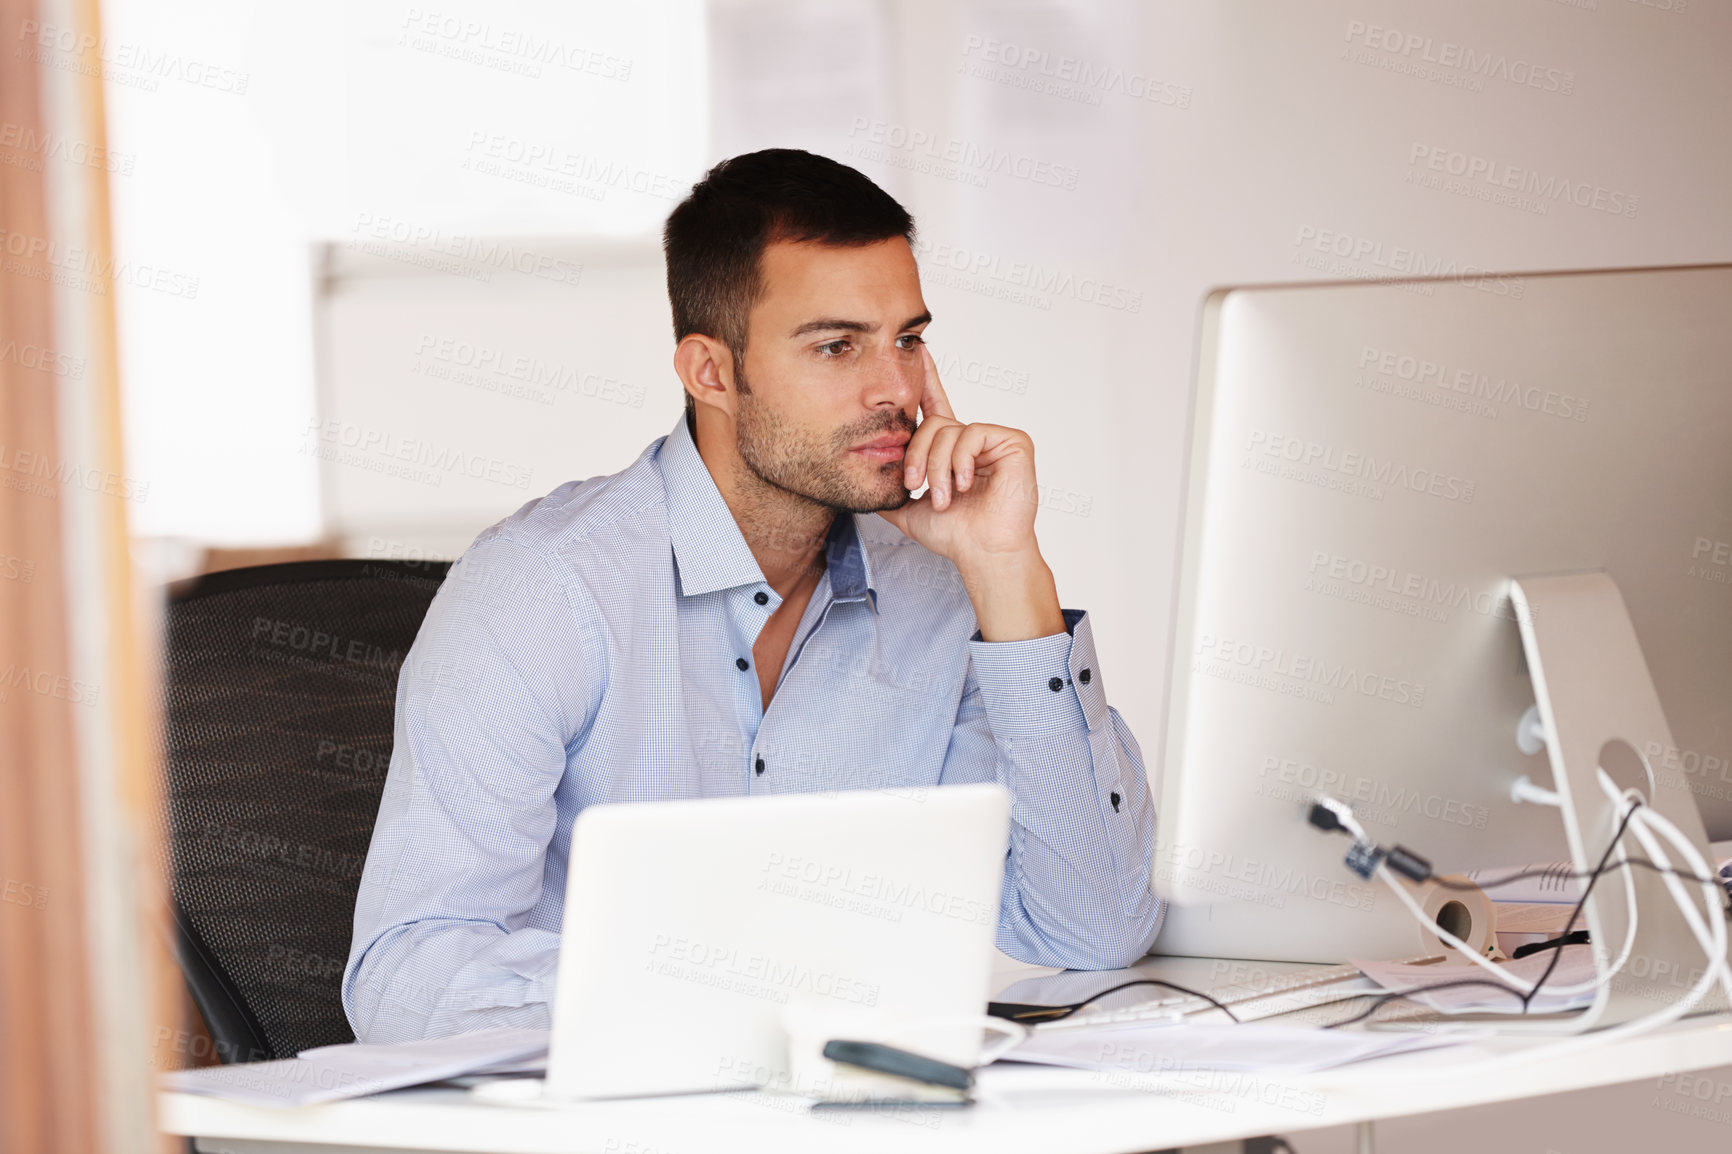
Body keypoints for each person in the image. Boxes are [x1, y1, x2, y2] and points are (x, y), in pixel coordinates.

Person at [343, 148, 1164, 1044]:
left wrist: (1008, 573)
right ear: (711, 373)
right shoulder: (546, 588)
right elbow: (406, 976)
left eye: (908, 340)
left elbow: (1093, 929)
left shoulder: (938, 587)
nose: (896, 390)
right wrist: (735, 997)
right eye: (836, 346)